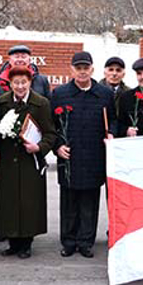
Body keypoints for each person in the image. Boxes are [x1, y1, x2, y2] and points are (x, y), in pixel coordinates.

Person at [51, 52, 116, 258]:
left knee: (89, 201)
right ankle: (69, 241)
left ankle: (86, 241)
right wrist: (57, 147)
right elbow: (51, 126)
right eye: (78, 68)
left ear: (92, 70)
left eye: (85, 67)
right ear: (71, 70)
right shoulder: (60, 94)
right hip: (69, 156)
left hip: (94, 155)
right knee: (69, 202)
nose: (82, 71)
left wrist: (112, 133)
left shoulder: (104, 94)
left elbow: (113, 119)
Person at [0, 66, 57, 259]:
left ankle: (26, 242)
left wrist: (39, 148)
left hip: (30, 160)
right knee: (8, 200)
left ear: (30, 83)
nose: (20, 87)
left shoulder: (41, 103)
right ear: (10, 84)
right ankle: (12, 241)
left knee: (29, 201)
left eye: (24, 82)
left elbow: (50, 133)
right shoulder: (3, 102)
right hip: (7, 159)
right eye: (16, 83)